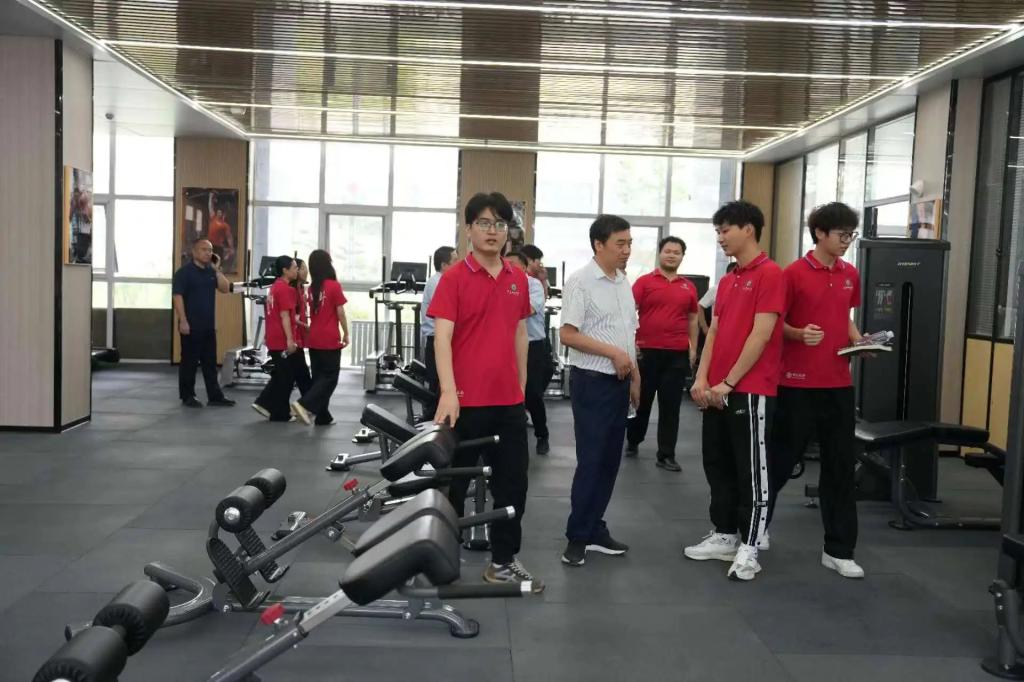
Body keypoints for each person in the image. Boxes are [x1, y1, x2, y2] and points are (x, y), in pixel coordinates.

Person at [428, 192, 542, 592]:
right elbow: (442, 338)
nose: (492, 231)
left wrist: (521, 387)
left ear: (508, 231)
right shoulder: (453, 278)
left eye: (500, 224)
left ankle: (503, 562)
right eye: (484, 223)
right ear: (469, 229)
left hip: (508, 403)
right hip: (462, 404)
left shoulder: (518, 279)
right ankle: (440, 561)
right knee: (451, 488)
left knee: (513, 487)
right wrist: (447, 392)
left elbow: (520, 333)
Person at [684, 200, 785, 582]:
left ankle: (750, 546)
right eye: (717, 231)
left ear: (748, 229)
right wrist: (701, 378)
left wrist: (729, 382)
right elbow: (715, 333)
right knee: (718, 463)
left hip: (751, 390)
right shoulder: (727, 281)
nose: (721, 238)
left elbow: (761, 335)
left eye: (725, 230)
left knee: (751, 472)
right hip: (717, 389)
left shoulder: (771, 274)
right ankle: (725, 533)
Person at [769, 202, 866, 579]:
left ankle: (839, 550)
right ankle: (754, 530)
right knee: (780, 463)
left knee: (840, 467)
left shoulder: (849, 274)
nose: (846, 241)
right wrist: (798, 333)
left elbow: (844, 317)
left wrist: (859, 341)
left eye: (850, 235)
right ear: (820, 234)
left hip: (838, 384)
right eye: (842, 234)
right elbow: (773, 324)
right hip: (795, 384)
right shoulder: (792, 273)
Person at [559, 215, 640, 568]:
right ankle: (577, 536)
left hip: (620, 382)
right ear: (599, 244)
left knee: (609, 462)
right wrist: (614, 354)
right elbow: (567, 334)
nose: (627, 250)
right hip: (592, 383)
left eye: (629, 243)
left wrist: (635, 375)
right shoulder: (581, 281)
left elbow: (628, 334)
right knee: (591, 461)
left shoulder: (623, 282)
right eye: (620, 243)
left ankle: (595, 528)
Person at [625, 236, 700, 472]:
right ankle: (633, 440)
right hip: (646, 352)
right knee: (642, 401)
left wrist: (693, 348)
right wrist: (630, 343)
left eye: (676, 252)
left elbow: (693, 318)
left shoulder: (689, 287)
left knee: (671, 407)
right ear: (660, 253)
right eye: (668, 251)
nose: (671, 255)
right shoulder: (644, 282)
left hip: (676, 354)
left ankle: (666, 455)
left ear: (682, 257)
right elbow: (628, 313)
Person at [172, 239, 236, 408]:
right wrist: (183, 320)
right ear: (194, 252)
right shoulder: (184, 273)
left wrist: (216, 269)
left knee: (210, 362)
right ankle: (187, 395)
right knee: (189, 363)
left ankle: (215, 396)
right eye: (204, 249)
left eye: (210, 250)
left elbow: (225, 288)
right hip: (190, 325)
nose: (208, 253)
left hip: (208, 325)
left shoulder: (210, 271)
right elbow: (177, 297)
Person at [291, 250, 350, 426]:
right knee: (330, 378)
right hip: (329, 338)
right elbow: (340, 312)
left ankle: (323, 417)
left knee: (318, 378)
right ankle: (304, 404)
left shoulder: (311, 289)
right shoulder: (334, 286)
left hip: (314, 338)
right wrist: (346, 333)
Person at [509, 246, 552, 456]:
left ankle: (542, 435)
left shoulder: (533, 285)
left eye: (513, 265)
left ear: (524, 267)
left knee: (533, 393)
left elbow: (528, 309)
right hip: (507, 345)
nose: (508, 268)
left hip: (533, 345)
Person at [252, 256, 300, 422]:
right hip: (281, 339)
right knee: (286, 378)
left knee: (282, 375)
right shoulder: (286, 289)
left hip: (274, 336)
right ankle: (279, 412)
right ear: (285, 270)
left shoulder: (274, 287)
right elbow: (284, 315)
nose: (297, 270)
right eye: (294, 267)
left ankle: (265, 404)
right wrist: (290, 340)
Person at [420, 245, 458, 417]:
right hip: (436, 340)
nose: (458, 264)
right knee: (438, 388)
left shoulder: (441, 281)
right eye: (455, 261)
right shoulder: (439, 283)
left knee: (438, 387)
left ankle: (434, 420)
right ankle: (432, 423)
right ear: (444, 265)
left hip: (438, 339)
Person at [291, 258, 313, 397]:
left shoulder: (300, 289)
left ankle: (308, 401)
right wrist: (307, 326)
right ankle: (309, 401)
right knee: (302, 372)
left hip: (298, 336)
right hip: (293, 338)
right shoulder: (292, 291)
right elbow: (293, 318)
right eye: (303, 268)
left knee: (298, 372)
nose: (307, 271)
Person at [698, 261, 738, 337]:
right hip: (717, 332)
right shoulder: (716, 289)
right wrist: (705, 328)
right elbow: (699, 306)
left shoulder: (745, 289)